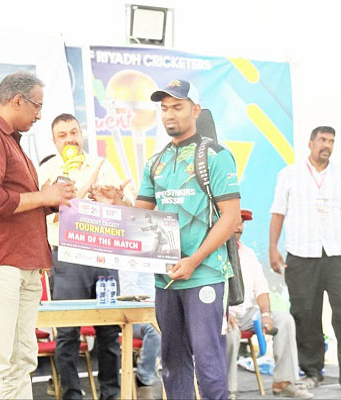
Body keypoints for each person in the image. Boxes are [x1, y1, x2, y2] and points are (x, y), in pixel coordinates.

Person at [0, 71, 76, 399]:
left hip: (26, 261)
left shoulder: (12, 144)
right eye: (37, 106)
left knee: (23, 356)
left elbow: (19, 203)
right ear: (17, 101)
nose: (39, 115)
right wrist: (43, 196)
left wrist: (51, 201)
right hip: (0, 261)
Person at [135, 79, 241, 399]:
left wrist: (193, 260)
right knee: (172, 363)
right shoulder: (155, 162)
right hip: (167, 278)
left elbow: (231, 218)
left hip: (205, 274)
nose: (169, 114)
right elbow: (139, 217)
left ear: (195, 110)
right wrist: (109, 207)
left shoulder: (216, 156)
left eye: (177, 107)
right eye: (164, 108)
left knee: (208, 362)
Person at [38, 113, 127, 400]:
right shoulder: (47, 170)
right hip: (67, 259)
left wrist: (115, 200)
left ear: (82, 134)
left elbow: (126, 209)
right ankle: (71, 395)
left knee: (109, 332)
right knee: (67, 333)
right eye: (62, 135)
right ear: (54, 141)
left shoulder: (103, 166)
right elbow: (41, 215)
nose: (70, 139)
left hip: (103, 256)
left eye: (74, 132)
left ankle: (111, 394)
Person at [269, 126, 341, 392]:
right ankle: (312, 371)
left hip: (340, 253)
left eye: (331, 141)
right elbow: (278, 212)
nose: (327, 145)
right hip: (302, 255)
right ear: (310, 143)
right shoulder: (289, 174)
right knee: (305, 314)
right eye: (322, 140)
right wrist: (273, 248)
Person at [226, 209, 313, 399]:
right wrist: (223, 313)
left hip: (247, 313)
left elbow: (261, 289)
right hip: (221, 314)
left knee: (284, 320)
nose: (239, 227)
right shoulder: (213, 253)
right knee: (229, 330)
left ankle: (283, 381)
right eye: (235, 221)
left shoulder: (248, 254)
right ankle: (226, 389)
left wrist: (265, 314)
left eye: (242, 222)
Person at [118, 270, 161, 400]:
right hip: (136, 317)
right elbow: (128, 291)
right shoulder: (129, 262)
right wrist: (153, 303)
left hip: (158, 313)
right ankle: (144, 378)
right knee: (155, 331)